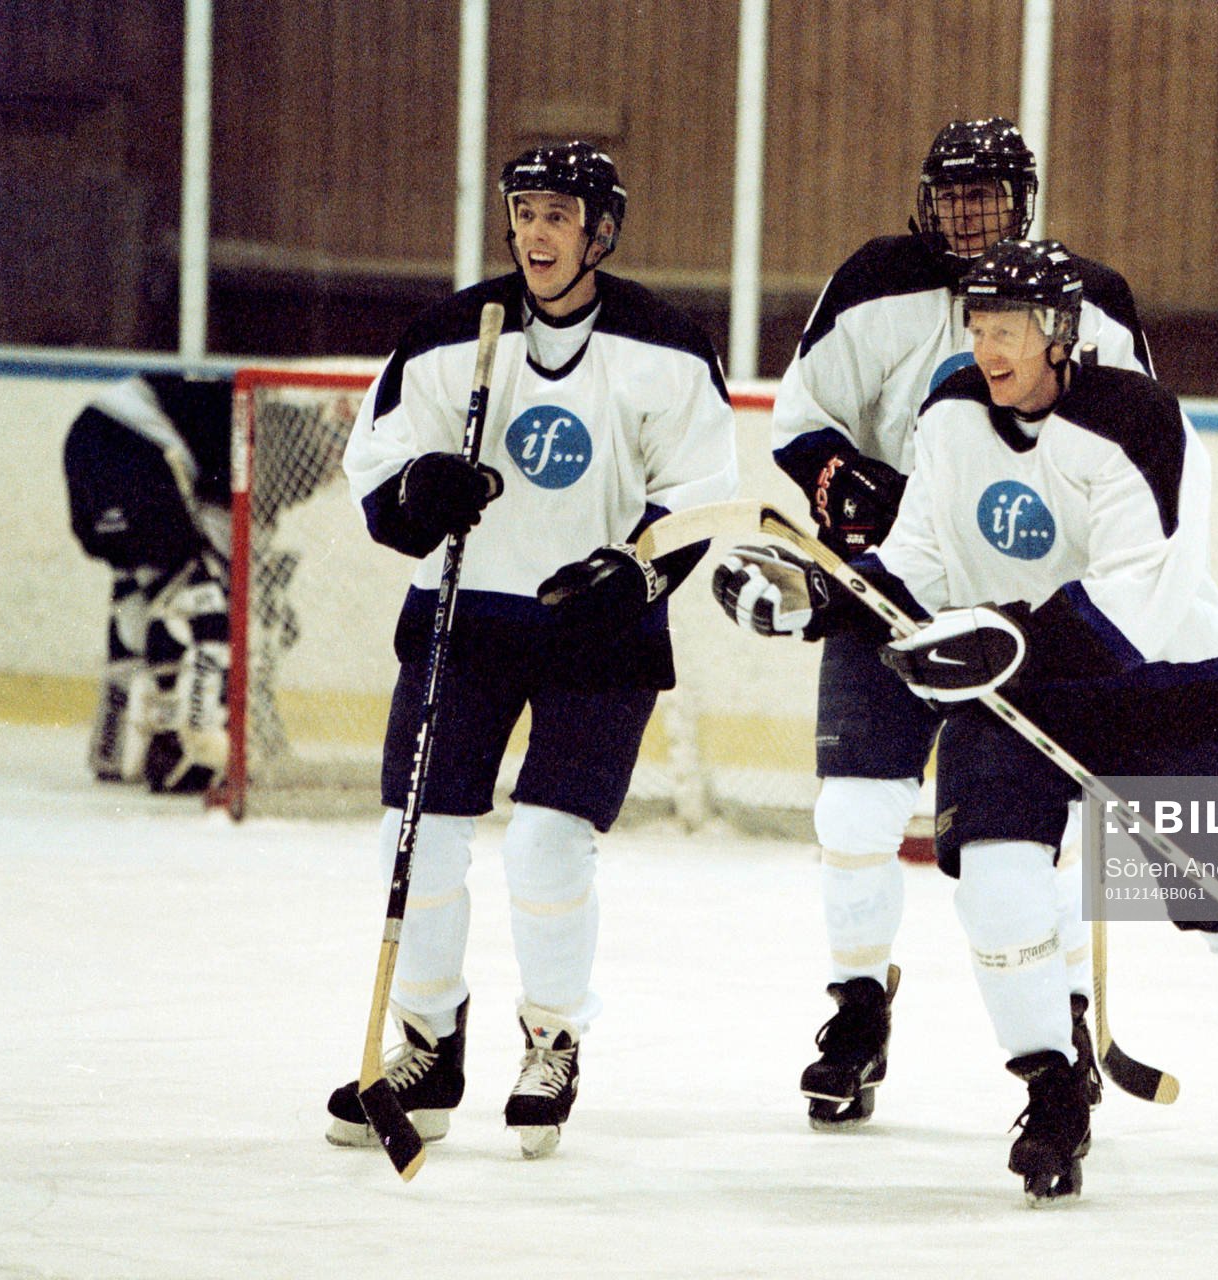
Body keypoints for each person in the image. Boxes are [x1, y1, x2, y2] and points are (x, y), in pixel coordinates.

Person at [719, 240, 1218, 1202]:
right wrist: (822, 599)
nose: (988, 348)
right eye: (979, 326)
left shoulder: (1142, 423)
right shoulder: (951, 413)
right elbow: (918, 560)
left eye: (1011, 330)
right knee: (996, 883)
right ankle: (1051, 1085)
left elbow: (1136, 600)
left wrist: (998, 636)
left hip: (1161, 687)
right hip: (1014, 694)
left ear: (1061, 334)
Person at [327, 141, 738, 1159]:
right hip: (465, 616)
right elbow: (375, 461)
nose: (536, 233)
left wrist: (637, 569)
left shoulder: (666, 346)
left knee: (548, 847)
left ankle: (552, 1037)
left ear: (601, 233)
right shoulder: (451, 334)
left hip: (598, 631)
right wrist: (420, 491)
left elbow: (701, 490)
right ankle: (429, 1045)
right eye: (524, 213)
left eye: (559, 215)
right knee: (416, 838)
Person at [767, 116, 1154, 1131]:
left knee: (1029, 839)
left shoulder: (1090, 299)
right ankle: (858, 1007)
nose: (969, 213)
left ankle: (1062, 1012)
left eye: (988, 195)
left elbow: (1139, 446)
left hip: (1030, 610)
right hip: (895, 585)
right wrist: (844, 479)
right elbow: (802, 419)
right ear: (925, 200)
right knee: (853, 815)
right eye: (953, 195)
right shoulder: (873, 281)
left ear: (1024, 201)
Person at [63, 373, 235, 794]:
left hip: (88, 441)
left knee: (140, 589)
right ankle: (191, 749)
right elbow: (221, 529)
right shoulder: (256, 425)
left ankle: (116, 749)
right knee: (201, 599)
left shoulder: (232, 405)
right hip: (129, 448)